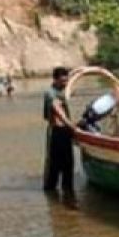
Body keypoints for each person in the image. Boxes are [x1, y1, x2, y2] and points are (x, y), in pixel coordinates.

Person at [42, 66, 75, 198]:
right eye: (62, 81)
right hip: (56, 132)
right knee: (54, 166)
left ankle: (68, 194)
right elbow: (57, 111)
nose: (65, 84)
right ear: (55, 80)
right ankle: (51, 196)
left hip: (66, 132)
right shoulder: (50, 93)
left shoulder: (63, 91)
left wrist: (70, 128)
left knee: (68, 164)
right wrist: (72, 126)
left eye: (66, 81)